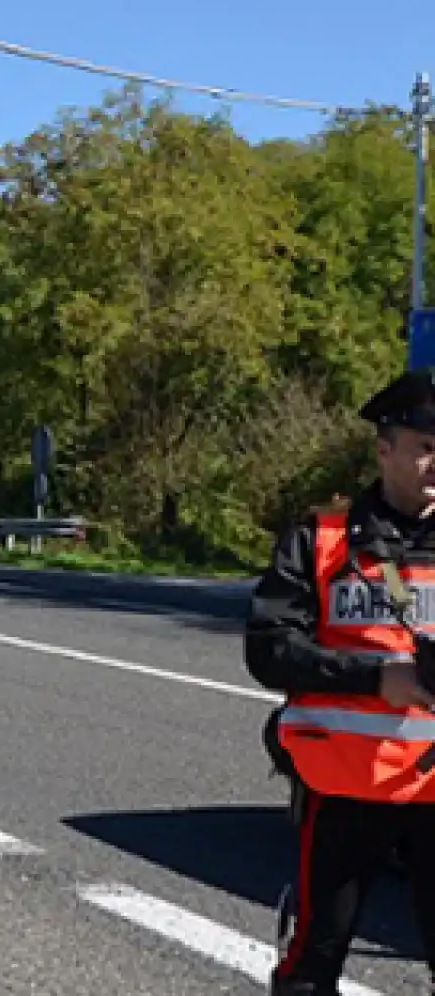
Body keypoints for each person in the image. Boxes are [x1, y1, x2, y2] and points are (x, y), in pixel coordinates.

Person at [248, 367, 435, 995]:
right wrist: (375, 678)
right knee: (312, 963)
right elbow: (270, 650)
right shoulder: (320, 539)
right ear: (384, 451)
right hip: (343, 785)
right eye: (426, 447)